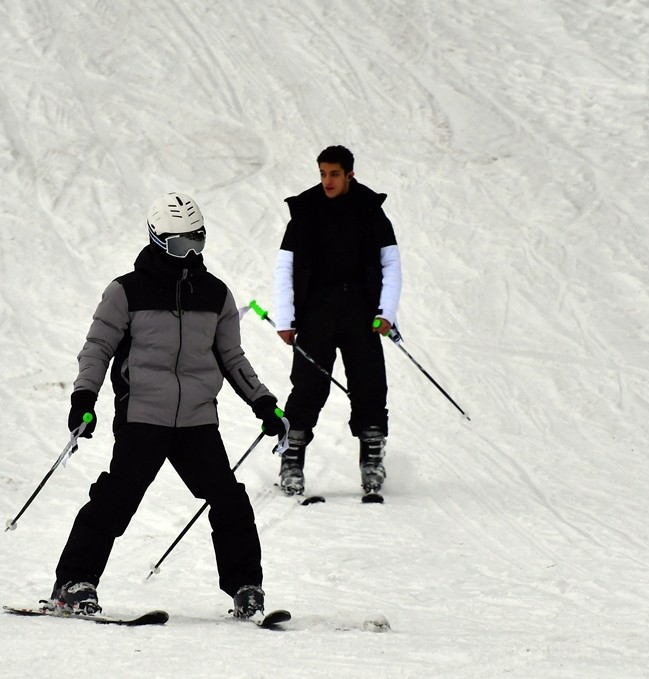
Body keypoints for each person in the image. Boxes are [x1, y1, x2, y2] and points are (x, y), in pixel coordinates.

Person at [47, 192, 286, 620]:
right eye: (181, 245)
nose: (191, 253)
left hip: (196, 420)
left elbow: (232, 358)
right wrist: (84, 397)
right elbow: (98, 347)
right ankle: (72, 583)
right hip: (143, 416)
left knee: (228, 500)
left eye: (198, 241)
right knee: (117, 498)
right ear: (158, 240)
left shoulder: (216, 295)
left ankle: (246, 587)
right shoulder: (126, 291)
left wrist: (263, 403)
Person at [271, 145, 402, 497]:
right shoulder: (305, 212)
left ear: (349, 175)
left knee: (370, 385)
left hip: (362, 316)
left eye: (334, 174)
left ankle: (372, 460)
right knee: (308, 389)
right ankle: (291, 460)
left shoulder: (371, 213)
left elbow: (391, 264)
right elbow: (285, 267)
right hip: (316, 316)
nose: (327, 181)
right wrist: (286, 318)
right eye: (322, 173)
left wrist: (385, 313)